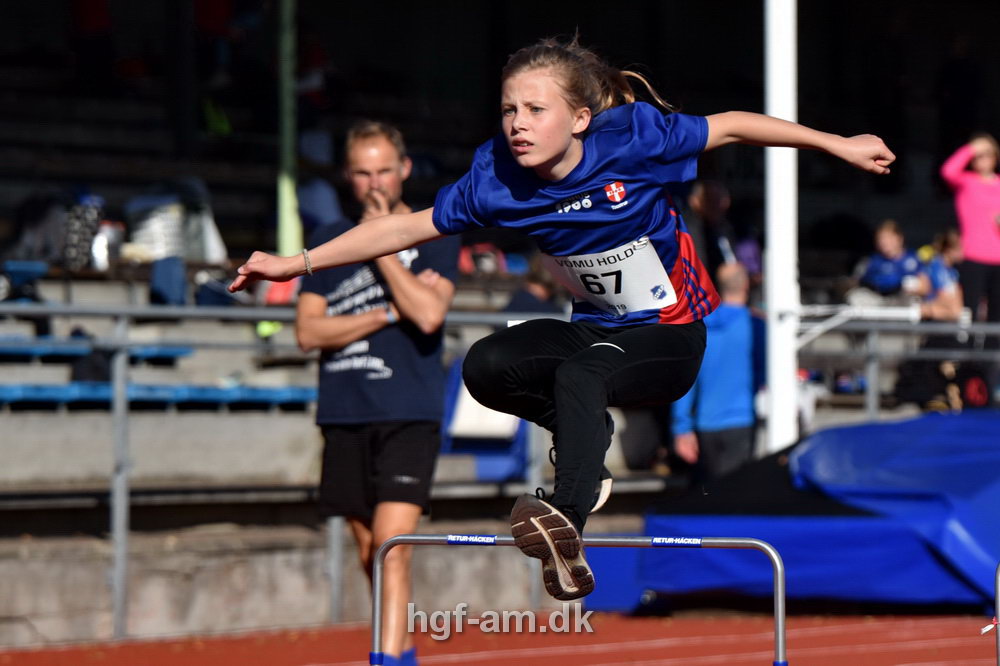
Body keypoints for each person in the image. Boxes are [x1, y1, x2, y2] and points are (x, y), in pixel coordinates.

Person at [231, 36, 894, 602]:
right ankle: (588, 450)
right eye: (508, 110)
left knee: (582, 374)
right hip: (596, 329)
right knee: (487, 364)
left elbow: (733, 125)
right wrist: (296, 263)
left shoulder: (634, 140)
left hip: (669, 336)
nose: (517, 125)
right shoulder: (497, 179)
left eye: (534, 110)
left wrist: (836, 144)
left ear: (579, 119)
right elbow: (403, 226)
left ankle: (566, 515)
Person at [295, 120, 458, 666]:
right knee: (370, 550)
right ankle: (402, 649)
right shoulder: (328, 238)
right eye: (363, 173)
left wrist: (384, 245)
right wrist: (387, 312)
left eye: (384, 171)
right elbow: (307, 331)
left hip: (409, 410)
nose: (375, 183)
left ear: (404, 169)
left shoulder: (433, 232)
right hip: (345, 409)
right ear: (349, 176)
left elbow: (429, 314)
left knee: (392, 546)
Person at [672, 263, 758, 484]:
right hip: (742, 420)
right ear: (746, 285)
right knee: (735, 492)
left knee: (710, 491)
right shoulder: (755, 325)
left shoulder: (701, 326)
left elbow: (685, 380)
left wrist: (682, 428)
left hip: (705, 424)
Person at [940, 134, 1000, 324]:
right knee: (970, 310)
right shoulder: (967, 182)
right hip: (974, 256)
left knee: (996, 314)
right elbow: (948, 171)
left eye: (987, 154)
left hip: (998, 257)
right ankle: (969, 343)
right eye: (978, 156)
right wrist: (971, 149)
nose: (982, 159)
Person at [848, 219, 923, 305]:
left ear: (899, 238)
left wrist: (913, 285)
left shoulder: (914, 258)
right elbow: (855, 281)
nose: (884, 242)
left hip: (902, 299)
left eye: (888, 238)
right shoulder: (871, 260)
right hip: (878, 299)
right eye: (881, 238)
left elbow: (925, 286)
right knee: (855, 296)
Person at [918, 229, 965, 322]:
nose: (963, 252)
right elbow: (923, 289)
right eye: (959, 249)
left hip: (946, 313)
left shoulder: (953, 271)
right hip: (932, 314)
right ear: (949, 250)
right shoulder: (932, 266)